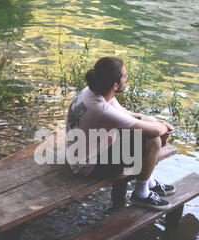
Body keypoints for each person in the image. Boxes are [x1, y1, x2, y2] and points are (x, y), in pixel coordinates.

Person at [66, 56, 175, 210]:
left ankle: (148, 181)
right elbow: (155, 131)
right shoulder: (101, 109)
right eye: (125, 75)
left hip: (81, 151)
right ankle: (141, 194)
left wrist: (153, 120)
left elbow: (123, 113)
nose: (127, 77)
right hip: (86, 166)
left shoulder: (92, 91)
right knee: (153, 140)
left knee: (144, 132)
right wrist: (163, 127)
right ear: (115, 85)